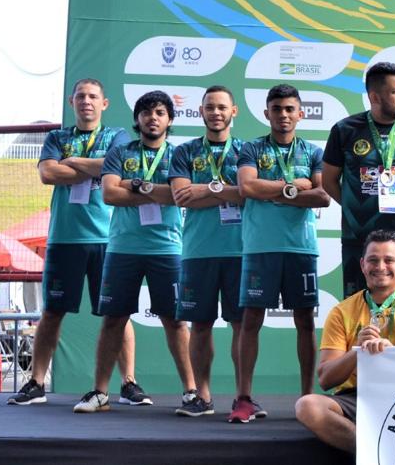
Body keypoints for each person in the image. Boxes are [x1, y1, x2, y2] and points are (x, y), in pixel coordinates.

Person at [10, 79, 141, 406]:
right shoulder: (57, 136)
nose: (86, 101)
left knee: (117, 313)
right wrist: (96, 168)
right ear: (72, 101)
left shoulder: (117, 136)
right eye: (81, 96)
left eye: (93, 96)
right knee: (52, 312)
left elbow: (120, 167)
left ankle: (128, 383)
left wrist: (71, 163)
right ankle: (37, 383)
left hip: (108, 240)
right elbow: (47, 174)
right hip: (64, 239)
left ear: (104, 103)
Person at [73, 91, 197, 413]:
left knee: (175, 321)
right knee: (113, 319)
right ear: (137, 118)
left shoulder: (180, 155)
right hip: (123, 248)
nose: (152, 117)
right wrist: (156, 191)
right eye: (145, 112)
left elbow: (179, 196)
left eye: (159, 112)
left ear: (169, 119)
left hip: (168, 249)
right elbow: (111, 195)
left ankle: (191, 392)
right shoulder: (120, 152)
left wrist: (137, 186)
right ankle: (99, 392)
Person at [295, 229, 395, 453]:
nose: (380, 267)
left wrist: (394, 357)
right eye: (373, 260)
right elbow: (326, 379)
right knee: (307, 406)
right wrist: (357, 352)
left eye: (389, 260)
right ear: (363, 265)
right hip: (357, 397)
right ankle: (375, 454)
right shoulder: (341, 312)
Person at [234, 83, 331, 423]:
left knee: (305, 321)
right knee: (251, 320)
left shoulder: (313, 152)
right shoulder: (251, 148)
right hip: (261, 246)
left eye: (290, 109)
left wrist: (272, 192)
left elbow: (322, 196)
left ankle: (307, 396)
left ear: (300, 113)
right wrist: (293, 187)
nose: (284, 115)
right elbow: (247, 187)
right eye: (277, 109)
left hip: (300, 247)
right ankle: (243, 397)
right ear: (267, 113)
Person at [168, 85, 245, 417]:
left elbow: (249, 194)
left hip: (242, 251)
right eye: (210, 107)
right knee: (200, 325)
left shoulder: (248, 151)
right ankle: (203, 395)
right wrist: (228, 190)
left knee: (241, 326)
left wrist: (207, 189)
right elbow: (181, 196)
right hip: (198, 252)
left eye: (222, 107)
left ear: (233, 111)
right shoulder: (184, 152)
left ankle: (244, 397)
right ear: (201, 112)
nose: (216, 112)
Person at [322, 61, 395, 298]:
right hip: (358, 236)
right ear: (375, 97)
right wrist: (354, 206)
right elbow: (328, 182)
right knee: (357, 308)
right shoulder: (345, 130)